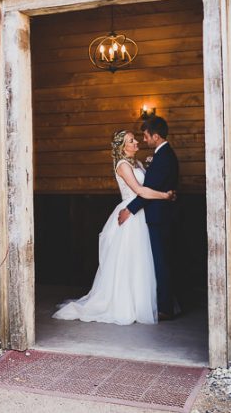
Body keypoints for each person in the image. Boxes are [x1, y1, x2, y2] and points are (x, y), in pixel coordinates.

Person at [52, 130, 175, 325]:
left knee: (141, 260)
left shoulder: (139, 164)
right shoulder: (122, 166)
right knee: (127, 260)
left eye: (135, 139)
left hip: (142, 215)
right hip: (130, 215)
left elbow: (148, 184)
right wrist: (165, 196)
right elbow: (140, 191)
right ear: (122, 147)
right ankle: (124, 304)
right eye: (131, 140)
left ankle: (140, 303)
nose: (136, 142)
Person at [118, 116, 179, 320]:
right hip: (153, 215)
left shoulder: (163, 157)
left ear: (156, 136)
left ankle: (165, 308)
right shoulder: (158, 156)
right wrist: (166, 194)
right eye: (135, 139)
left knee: (161, 262)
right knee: (154, 261)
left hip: (157, 216)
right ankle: (157, 303)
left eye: (145, 136)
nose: (142, 140)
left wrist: (130, 209)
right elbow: (149, 187)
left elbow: (147, 189)